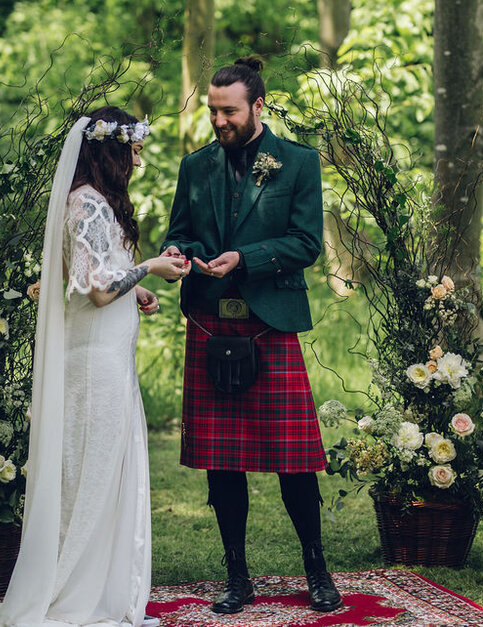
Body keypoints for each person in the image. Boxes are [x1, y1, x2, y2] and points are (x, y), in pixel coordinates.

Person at [0, 107, 189, 626]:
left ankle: (100, 589)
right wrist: (149, 266)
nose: (138, 158)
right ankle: (74, 593)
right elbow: (101, 291)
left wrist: (141, 290)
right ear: (110, 150)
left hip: (108, 356)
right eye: (133, 149)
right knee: (92, 473)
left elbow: (93, 281)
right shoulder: (86, 204)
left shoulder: (95, 204)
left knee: (105, 471)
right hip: (95, 363)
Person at [160, 56, 342, 614]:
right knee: (224, 462)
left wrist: (247, 257)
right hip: (211, 321)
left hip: (270, 322)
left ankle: (317, 570)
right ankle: (236, 576)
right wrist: (181, 254)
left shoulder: (298, 162)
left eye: (229, 110)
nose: (219, 120)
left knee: (294, 460)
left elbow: (306, 242)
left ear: (257, 105)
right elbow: (181, 233)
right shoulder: (196, 167)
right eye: (213, 111)